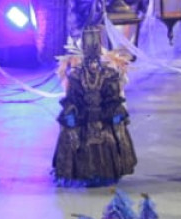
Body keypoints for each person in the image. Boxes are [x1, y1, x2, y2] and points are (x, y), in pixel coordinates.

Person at [51, 26, 136, 187]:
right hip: (82, 117)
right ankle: (81, 172)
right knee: (74, 137)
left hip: (103, 117)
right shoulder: (75, 75)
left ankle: (105, 171)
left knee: (109, 139)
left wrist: (116, 114)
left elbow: (112, 99)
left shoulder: (108, 74)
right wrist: (71, 115)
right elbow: (72, 100)